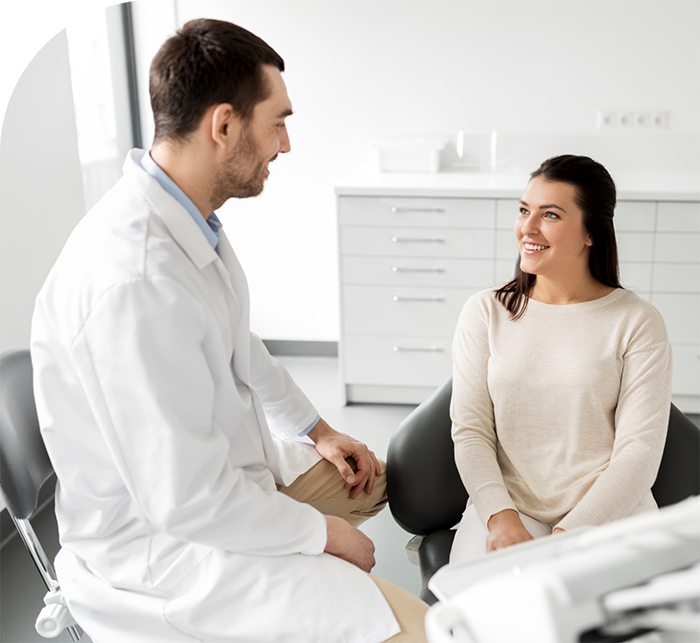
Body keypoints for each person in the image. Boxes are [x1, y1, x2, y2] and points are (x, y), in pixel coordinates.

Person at [30, 19, 428, 643]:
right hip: (169, 554)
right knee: (423, 631)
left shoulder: (190, 221)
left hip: (226, 476)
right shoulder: (134, 283)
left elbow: (240, 341)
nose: (286, 144)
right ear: (223, 126)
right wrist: (324, 537)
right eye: (278, 122)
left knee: (369, 480)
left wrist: (317, 431)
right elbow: (187, 501)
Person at [449, 154, 673, 564]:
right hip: (509, 510)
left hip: (608, 511)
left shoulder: (637, 322)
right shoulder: (485, 312)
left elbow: (639, 452)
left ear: (591, 232)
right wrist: (499, 516)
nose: (527, 229)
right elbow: (471, 430)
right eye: (523, 211)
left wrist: (570, 534)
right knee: (480, 620)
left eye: (549, 215)